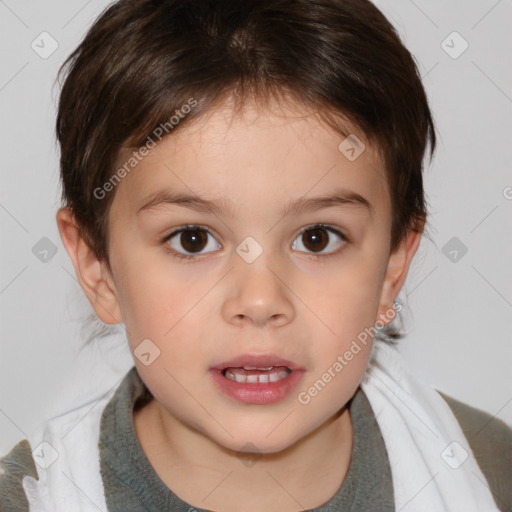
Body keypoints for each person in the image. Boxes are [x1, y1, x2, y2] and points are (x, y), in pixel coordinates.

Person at [1, 0, 511, 511]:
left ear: (392, 267)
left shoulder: (489, 471)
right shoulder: (31, 498)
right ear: (98, 269)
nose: (261, 300)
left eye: (317, 238)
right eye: (193, 239)